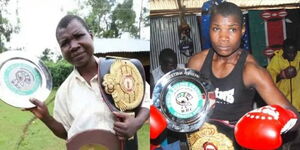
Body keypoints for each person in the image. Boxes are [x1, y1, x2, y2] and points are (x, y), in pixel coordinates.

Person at [26, 15, 149, 150]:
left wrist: (136, 123)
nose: (73, 46)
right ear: (61, 50)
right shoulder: (64, 91)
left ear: (91, 36)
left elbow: (147, 100)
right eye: (65, 43)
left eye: (78, 36)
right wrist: (46, 117)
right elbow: (66, 132)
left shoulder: (120, 68)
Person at [187, 2, 299, 149]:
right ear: (209, 30)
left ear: (243, 31)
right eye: (216, 28)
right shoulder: (196, 63)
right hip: (198, 142)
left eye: (232, 29)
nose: (223, 37)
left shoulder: (251, 70)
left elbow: (293, 116)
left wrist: (268, 125)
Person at [267, 39, 300, 112]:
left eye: (294, 52)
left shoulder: (299, 57)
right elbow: (268, 80)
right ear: (284, 50)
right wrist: (282, 75)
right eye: (289, 53)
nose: (292, 55)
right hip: (284, 104)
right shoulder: (276, 60)